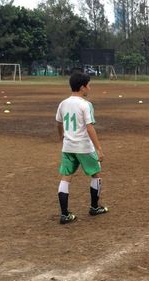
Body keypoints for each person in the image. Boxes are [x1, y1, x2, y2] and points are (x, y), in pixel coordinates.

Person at [55, 72, 108, 224]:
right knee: (96, 175)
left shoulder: (63, 103)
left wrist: (62, 138)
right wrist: (98, 148)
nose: (89, 88)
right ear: (82, 87)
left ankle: (64, 214)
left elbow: (58, 123)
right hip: (84, 147)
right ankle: (94, 207)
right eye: (88, 85)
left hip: (68, 146)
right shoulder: (85, 104)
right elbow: (89, 127)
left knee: (66, 178)